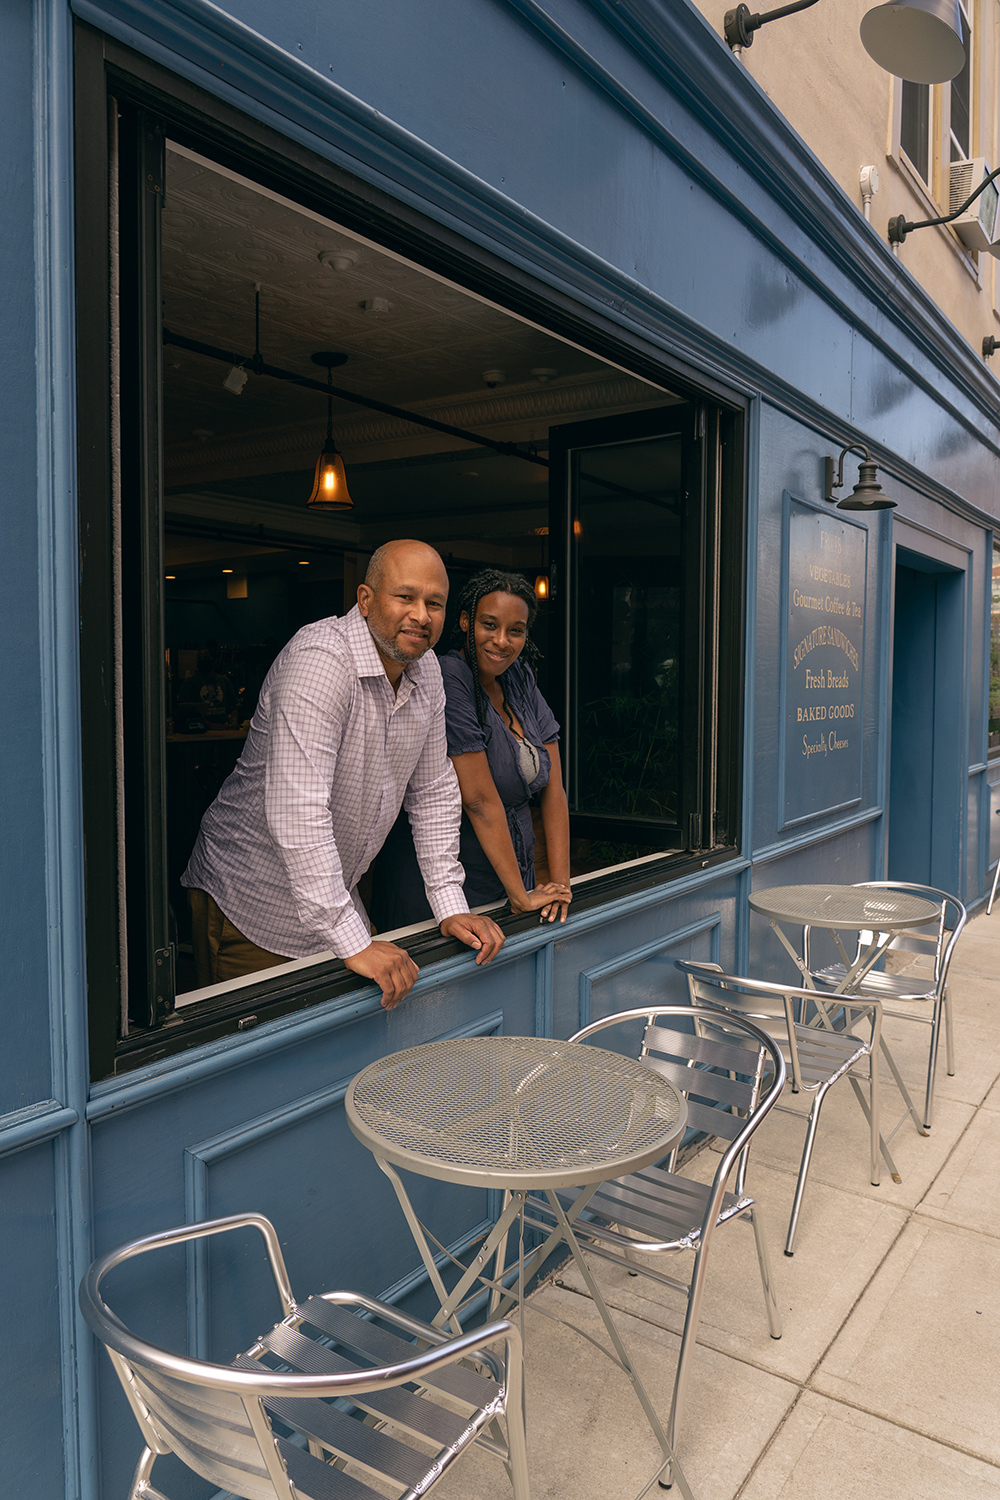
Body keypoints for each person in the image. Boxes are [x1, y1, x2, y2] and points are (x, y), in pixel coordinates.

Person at [181, 540, 504, 1008]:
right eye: (405, 597)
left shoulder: (427, 670)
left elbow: (433, 793)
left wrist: (449, 905)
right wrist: (352, 939)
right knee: (264, 1071)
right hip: (251, 906)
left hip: (334, 901)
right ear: (366, 600)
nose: (421, 614)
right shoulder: (321, 661)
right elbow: (299, 812)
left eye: (434, 603)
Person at [370, 569, 572, 927]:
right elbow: (478, 799)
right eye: (489, 625)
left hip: (511, 877)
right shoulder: (449, 676)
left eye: (516, 631)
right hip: (447, 883)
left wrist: (561, 888)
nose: (501, 641)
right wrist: (520, 896)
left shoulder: (519, 677)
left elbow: (554, 788)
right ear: (465, 621)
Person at [177, 646, 239, 725]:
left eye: (206, 658)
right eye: (200, 659)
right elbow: (186, 710)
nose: (203, 661)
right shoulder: (190, 681)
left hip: (223, 727)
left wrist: (233, 721)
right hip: (200, 730)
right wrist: (209, 725)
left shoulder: (224, 681)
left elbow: (233, 707)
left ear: (215, 660)